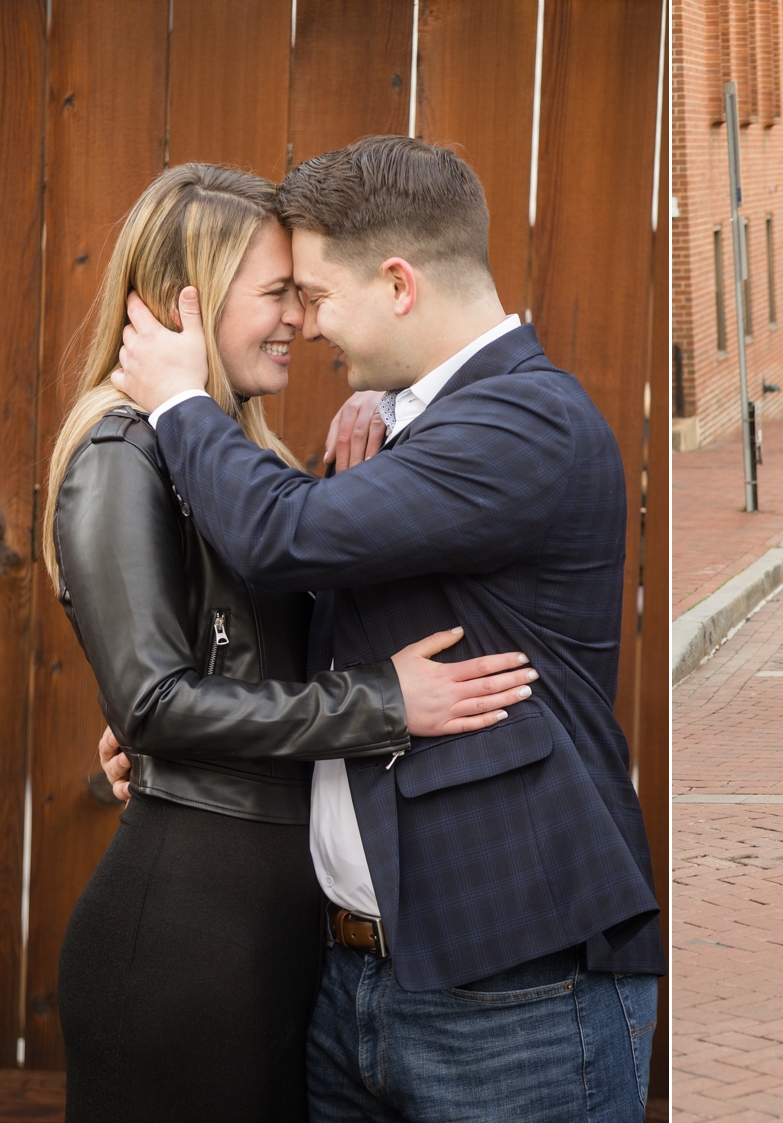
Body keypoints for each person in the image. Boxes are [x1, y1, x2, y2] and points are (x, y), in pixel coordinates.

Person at [110, 136, 663, 1123]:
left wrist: (179, 399)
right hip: (351, 982)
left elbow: (285, 536)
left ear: (399, 283)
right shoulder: (417, 422)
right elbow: (332, 641)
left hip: (512, 989)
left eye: (317, 295)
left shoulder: (526, 421)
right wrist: (180, 734)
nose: (307, 325)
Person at [47, 165, 537, 1123]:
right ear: (186, 303)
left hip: (272, 939)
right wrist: (382, 703)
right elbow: (154, 702)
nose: (299, 323)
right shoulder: (118, 455)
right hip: (186, 935)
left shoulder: (236, 461)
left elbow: (225, 671)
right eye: (277, 295)